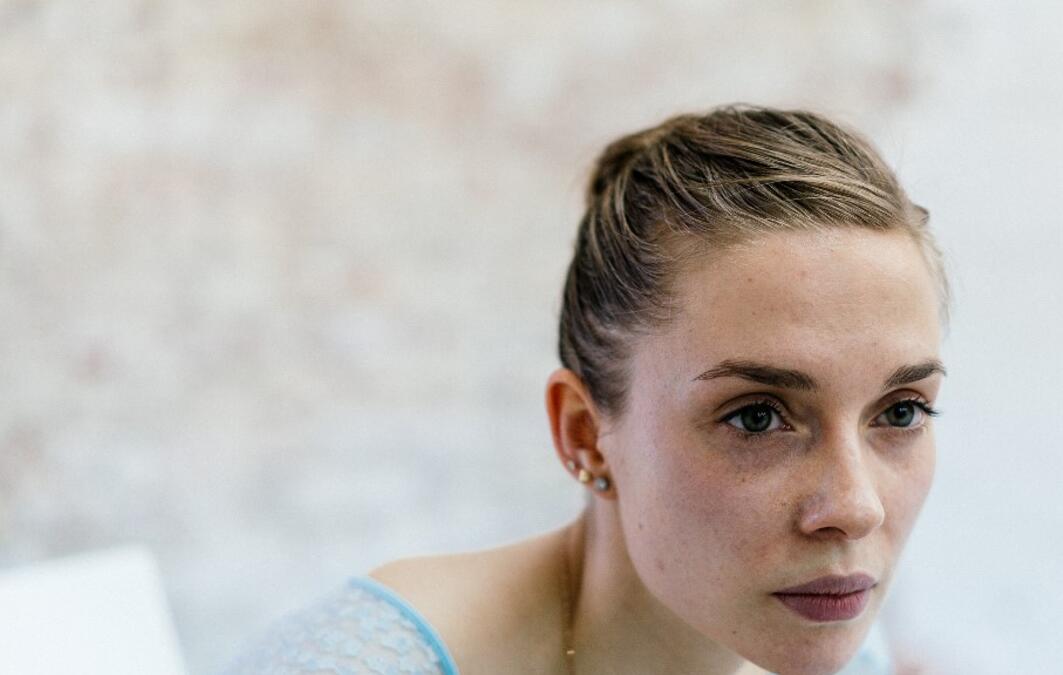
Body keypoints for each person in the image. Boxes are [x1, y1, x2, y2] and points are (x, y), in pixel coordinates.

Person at [224, 105, 947, 675]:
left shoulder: (845, 651)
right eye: (757, 416)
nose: (854, 507)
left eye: (901, 411)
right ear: (582, 432)